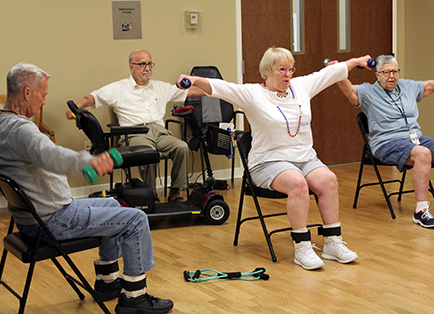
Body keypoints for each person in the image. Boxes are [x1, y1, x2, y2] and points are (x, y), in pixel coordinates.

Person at [176, 47, 372, 270]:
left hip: (305, 157)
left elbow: (329, 73)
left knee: (329, 180)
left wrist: (356, 61)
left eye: (290, 69)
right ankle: (302, 247)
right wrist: (192, 79)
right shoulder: (252, 93)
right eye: (282, 70)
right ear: (267, 72)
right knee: (298, 183)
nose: (288, 74)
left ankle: (332, 242)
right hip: (267, 162)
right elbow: (219, 87)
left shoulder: (300, 86)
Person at [1, 62, 173, 314]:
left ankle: (107, 282)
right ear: (27, 93)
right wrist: (91, 161)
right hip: (53, 219)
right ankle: (135, 298)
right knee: (135, 219)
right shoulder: (22, 130)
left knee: (114, 204)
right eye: (43, 95)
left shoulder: (3, 124)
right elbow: (53, 156)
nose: (43, 102)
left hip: (33, 219)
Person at [337, 54, 434, 228]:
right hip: (386, 142)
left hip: (414, 139)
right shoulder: (368, 92)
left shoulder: (407, 86)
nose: (392, 76)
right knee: (422, 153)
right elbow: (349, 90)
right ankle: (421, 211)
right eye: (386, 72)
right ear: (377, 74)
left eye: (395, 72)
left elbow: (429, 86)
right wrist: (337, 70)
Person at [66, 49, 204, 202]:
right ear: (131, 67)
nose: (147, 68)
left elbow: (191, 92)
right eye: (142, 64)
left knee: (182, 147)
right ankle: (151, 195)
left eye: (150, 64)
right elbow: (93, 97)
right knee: (148, 153)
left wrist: (214, 89)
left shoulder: (160, 87)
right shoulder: (119, 88)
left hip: (160, 133)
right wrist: (76, 108)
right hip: (134, 133)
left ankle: (175, 192)